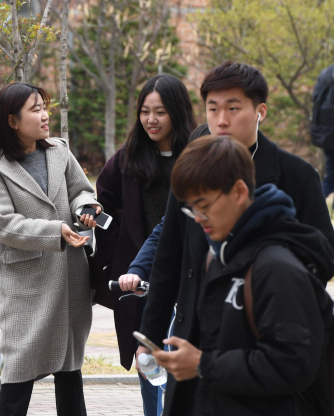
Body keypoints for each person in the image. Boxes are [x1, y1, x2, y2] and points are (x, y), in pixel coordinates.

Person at [127, 62, 334, 416]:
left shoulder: (297, 176)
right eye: (212, 108)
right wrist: (150, 335)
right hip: (194, 331)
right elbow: (169, 256)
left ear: (260, 112)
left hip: (257, 337)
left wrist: (264, 295)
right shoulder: (193, 172)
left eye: (233, 108)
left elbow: (321, 259)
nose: (221, 120)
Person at [152, 135, 333, 415]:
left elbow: (292, 365)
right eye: (190, 209)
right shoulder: (221, 255)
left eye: (203, 205)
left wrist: (203, 364)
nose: (197, 218)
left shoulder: (277, 267)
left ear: (238, 192)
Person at [0, 82, 100, 416]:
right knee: (18, 374)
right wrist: (55, 230)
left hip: (69, 277)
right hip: (25, 283)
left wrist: (85, 208)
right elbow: (4, 225)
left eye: (45, 107)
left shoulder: (59, 151)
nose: (45, 115)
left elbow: (80, 191)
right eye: (36, 109)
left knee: (70, 370)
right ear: (13, 121)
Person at [95, 73, 196, 416]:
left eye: (161, 112)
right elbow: (103, 205)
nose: (151, 120)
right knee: (148, 360)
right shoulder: (128, 158)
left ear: (178, 113)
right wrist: (115, 253)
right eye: (144, 111)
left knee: (185, 355)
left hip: (188, 269)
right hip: (139, 274)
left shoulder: (196, 155)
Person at [310, 64, 334, 208]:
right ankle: (313, 205)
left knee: (330, 177)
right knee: (331, 178)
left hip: (325, 133)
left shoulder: (326, 73)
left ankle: (312, 205)